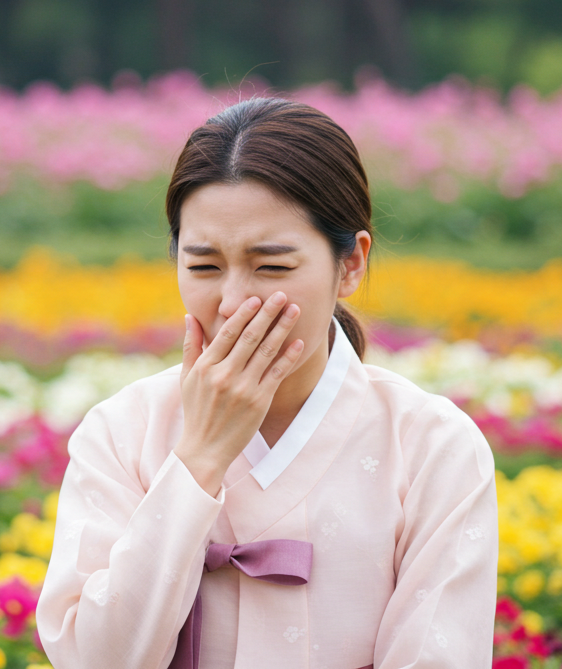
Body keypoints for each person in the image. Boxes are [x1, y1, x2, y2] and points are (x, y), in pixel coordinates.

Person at [34, 98, 498, 668]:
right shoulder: (121, 433)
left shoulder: (433, 445)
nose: (232, 304)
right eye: (203, 266)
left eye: (272, 267)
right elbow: (94, 660)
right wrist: (198, 461)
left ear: (350, 263)